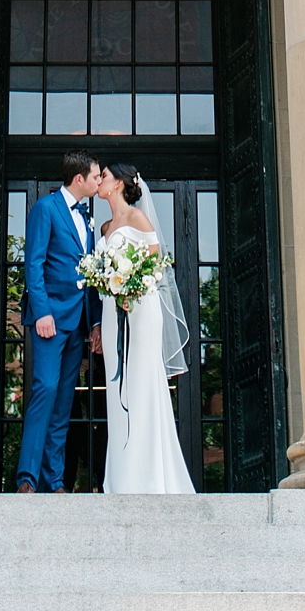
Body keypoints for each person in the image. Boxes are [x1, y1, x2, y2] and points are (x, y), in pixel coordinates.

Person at [96, 160, 195, 495]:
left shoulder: (137, 218)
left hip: (140, 309)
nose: (100, 180)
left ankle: (150, 476)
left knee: (142, 386)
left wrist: (130, 288)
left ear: (120, 184)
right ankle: (123, 476)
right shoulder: (104, 227)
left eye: (105, 176)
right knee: (117, 389)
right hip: (113, 313)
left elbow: (156, 266)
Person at [17, 150, 103, 493]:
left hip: (79, 321)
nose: (100, 181)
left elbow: (93, 277)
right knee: (46, 390)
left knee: (64, 400)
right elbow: (33, 265)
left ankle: (54, 481)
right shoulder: (45, 209)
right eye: (96, 176)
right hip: (50, 320)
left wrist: (95, 324)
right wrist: (42, 312)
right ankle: (26, 478)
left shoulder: (87, 217)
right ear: (79, 178)